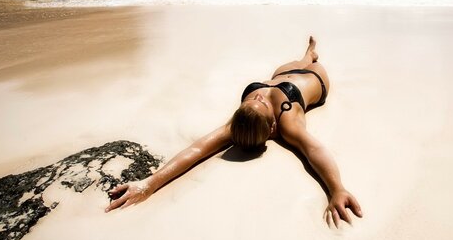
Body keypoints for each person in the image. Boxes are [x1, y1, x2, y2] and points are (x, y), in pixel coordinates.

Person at [105, 36, 362, 227]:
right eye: (257, 101)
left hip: (283, 74)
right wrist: (337, 189)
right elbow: (314, 149)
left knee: (298, 62)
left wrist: (148, 183)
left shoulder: (248, 121)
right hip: (315, 78)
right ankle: (311, 58)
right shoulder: (283, 123)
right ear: (271, 128)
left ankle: (309, 53)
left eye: (254, 100)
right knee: (307, 65)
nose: (258, 95)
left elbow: (197, 148)